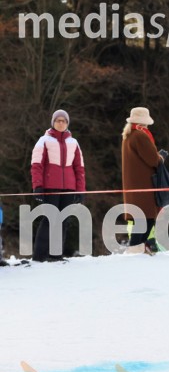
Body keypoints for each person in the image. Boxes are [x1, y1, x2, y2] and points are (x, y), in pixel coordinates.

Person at [30, 109, 86, 262]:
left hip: (69, 188)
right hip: (50, 186)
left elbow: (79, 168)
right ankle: (39, 256)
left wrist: (80, 191)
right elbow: (36, 165)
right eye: (58, 120)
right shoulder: (44, 140)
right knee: (50, 218)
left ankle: (56, 254)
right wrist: (38, 186)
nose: (61, 123)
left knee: (63, 220)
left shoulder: (73, 143)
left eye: (64, 121)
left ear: (67, 123)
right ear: (53, 122)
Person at [121, 107, 167, 254]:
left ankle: (138, 248)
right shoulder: (140, 136)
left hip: (135, 183)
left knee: (141, 219)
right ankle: (135, 248)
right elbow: (153, 160)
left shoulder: (129, 135)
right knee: (146, 218)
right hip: (143, 183)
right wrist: (161, 157)